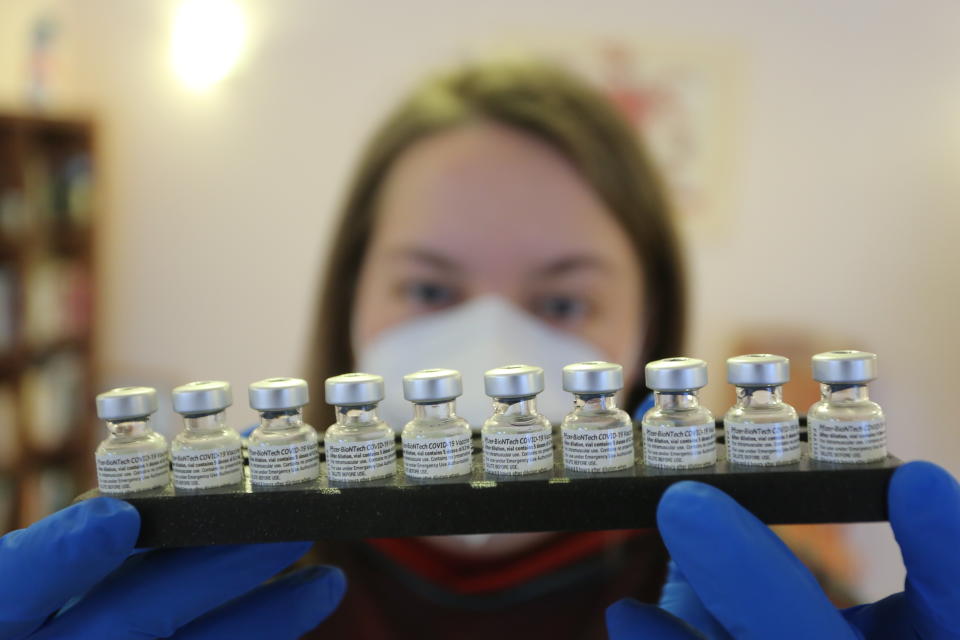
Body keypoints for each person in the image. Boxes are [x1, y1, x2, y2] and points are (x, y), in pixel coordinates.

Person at [1, 61, 958, 640]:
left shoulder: (778, 610)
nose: (488, 342)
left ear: (650, 330)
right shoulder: (168, 599)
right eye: (429, 288)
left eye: (563, 297)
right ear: (350, 304)